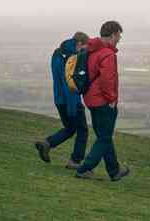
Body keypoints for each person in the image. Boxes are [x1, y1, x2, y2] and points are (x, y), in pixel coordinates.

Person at [75, 21, 130, 181]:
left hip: (90, 99)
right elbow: (107, 80)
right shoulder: (107, 54)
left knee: (103, 136)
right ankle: (85, 168)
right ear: (112, 34)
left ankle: (114, 171)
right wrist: (112, 99)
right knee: (105, 137)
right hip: (103, 101)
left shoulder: (91, 50)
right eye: (119, 35)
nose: (119, 38)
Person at [34, 32, 90, 169]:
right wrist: (73, 105)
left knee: (70, 128)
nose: (84, 52)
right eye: (83, 48)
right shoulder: (71, 58)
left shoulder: (57, 53)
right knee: (82, 130)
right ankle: (75, 161)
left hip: (59, 99)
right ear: (79, 43)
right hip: (71, 100)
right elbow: (68, 83)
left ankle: (47, 143)